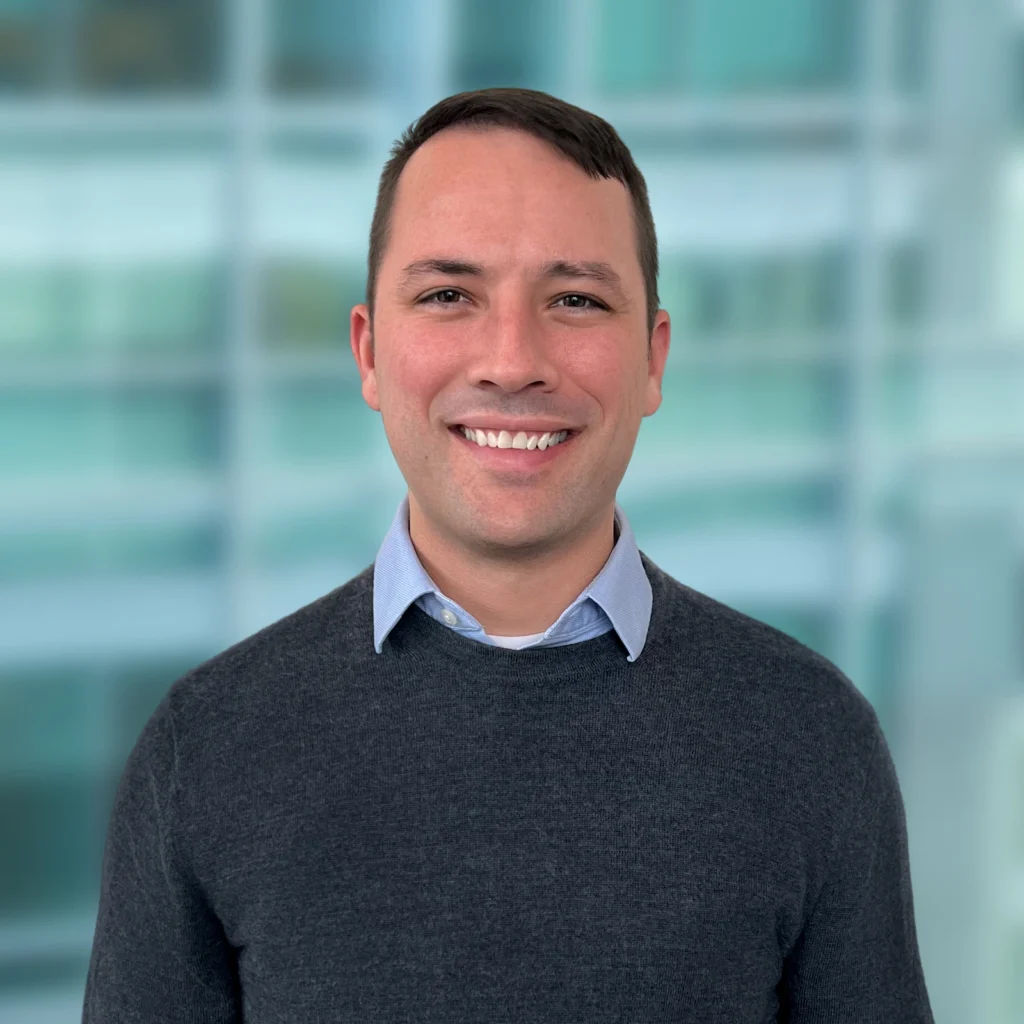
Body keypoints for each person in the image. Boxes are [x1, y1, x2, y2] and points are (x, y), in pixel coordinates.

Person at [82, 87, 935, 1023]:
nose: (512, 359)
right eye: (449, 295)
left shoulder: (810, 737)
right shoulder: (205, 746)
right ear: (369, 350)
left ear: (653, 360)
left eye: (574, 299)